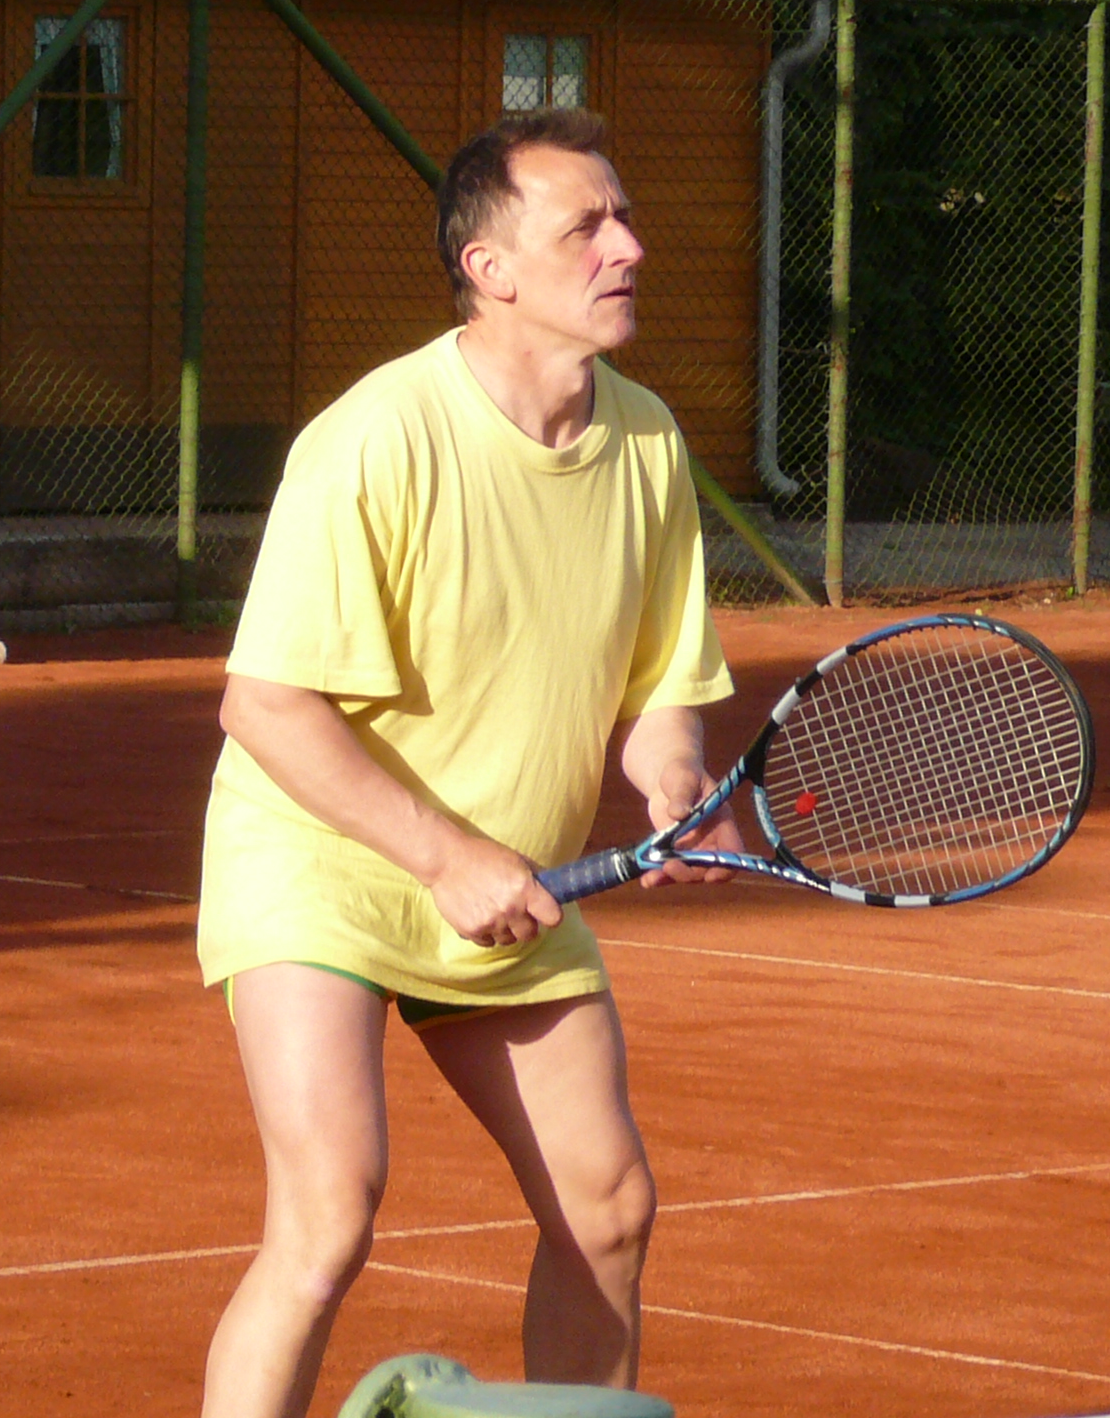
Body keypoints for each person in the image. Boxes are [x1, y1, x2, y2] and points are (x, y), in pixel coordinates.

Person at [196, 108, 741, 1418]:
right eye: (586, 227)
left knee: (607, 1208)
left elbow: (658, 685)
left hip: (516, 888)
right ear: (489, 268)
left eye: (624, 217)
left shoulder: (646, 441)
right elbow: (264, 705)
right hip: (323, 869)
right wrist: (443, 858)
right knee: (328, 1215)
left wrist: (673, 782)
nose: (628, 247)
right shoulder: (375, 437)